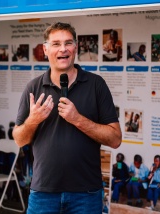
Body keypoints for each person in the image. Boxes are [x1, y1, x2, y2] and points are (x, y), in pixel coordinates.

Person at [12, 22, 122, 214]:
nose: (63, 49)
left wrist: (77, 119)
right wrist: (33, 120)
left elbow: (115, 139)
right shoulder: (33, 88)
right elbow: (20, 139)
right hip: (43, 193)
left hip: (86, 195)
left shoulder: (96, 85)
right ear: (45, 49)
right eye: (56, 44)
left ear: (76, 48)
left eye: (68, 43)